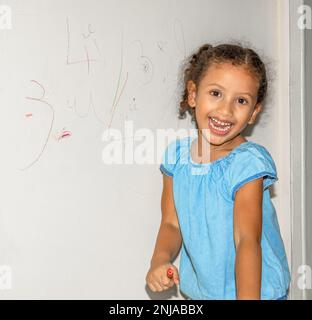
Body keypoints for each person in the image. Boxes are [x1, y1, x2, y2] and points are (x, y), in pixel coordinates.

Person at [145, 43, 291, 300]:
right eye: (216, 93)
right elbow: (171, 223)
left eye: (241, 100)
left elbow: (246, 239)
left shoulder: (247, 164)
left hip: (255, 294)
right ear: (193, 94)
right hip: (202, 294)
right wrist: (159, 260)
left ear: (254, 111)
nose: (225, 110)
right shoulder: (177, 159)